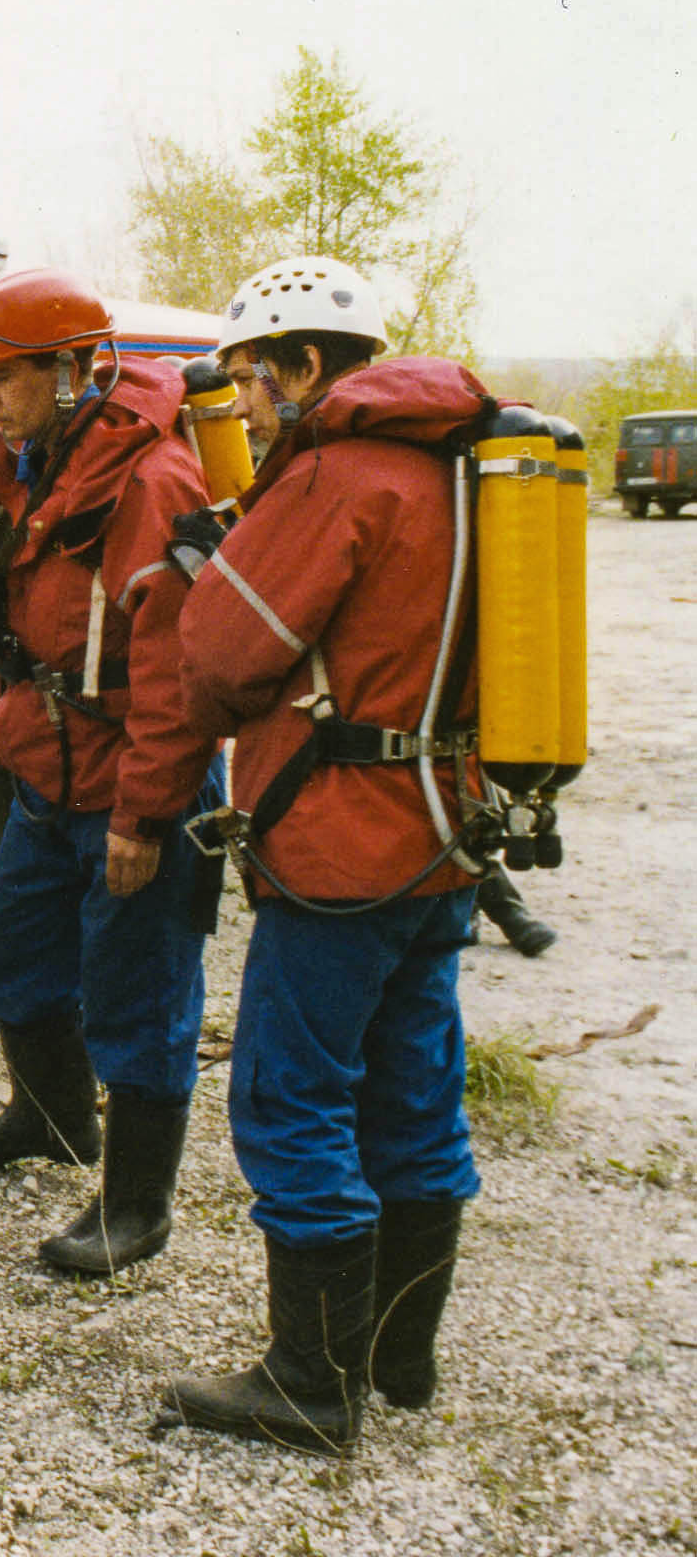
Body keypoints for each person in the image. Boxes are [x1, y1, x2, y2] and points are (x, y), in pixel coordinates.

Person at [164, 257, 493, 1454]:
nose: (241, 404)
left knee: (291, 1095)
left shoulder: (332, 474)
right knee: (413, 1091)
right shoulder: (460, 466)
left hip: (341, 849)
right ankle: (400, 1358)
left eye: (251, 377)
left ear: (307, 365)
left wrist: (215, 565)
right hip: (443, 836)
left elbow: (221, 662)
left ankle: (310, 1381)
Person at [0, 269, 223, 1279]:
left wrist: (146, 816)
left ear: (73, 370)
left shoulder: (149, 482)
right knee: (17, 953)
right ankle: (51, 1121)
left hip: (133, 778)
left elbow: (178, 677)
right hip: (47, 767)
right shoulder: (38, 464)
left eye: (7, 374)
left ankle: (138, 1207)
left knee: (139, 993)